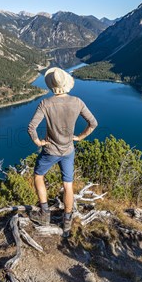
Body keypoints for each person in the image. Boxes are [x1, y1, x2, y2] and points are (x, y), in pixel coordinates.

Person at [27, 67, 98, 236]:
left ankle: (44, 214)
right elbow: (93, 123)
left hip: (50, 150)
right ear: (65, 84)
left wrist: (38, 141)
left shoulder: (46, 103)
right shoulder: (77, 102)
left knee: (38, 176)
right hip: (68, 151)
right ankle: (66, 222)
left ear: (52, 85)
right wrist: (80, 137)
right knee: (68, 185)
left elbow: (31, 127)